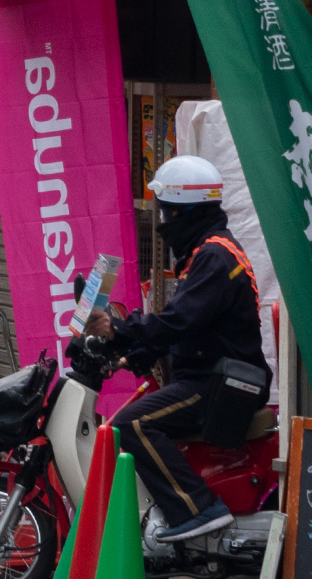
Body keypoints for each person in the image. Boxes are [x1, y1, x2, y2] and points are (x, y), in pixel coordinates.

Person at [91, 156, 270, 541]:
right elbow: (191, 329)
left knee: (131, 424)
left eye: (167, 213)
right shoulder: (208, 252)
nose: (164, 224)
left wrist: (120, 328)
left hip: (218, 385)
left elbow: (178, 321)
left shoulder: (214, 258)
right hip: (213, 376)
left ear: (181, 211)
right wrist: (134, 353)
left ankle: (197, 509)